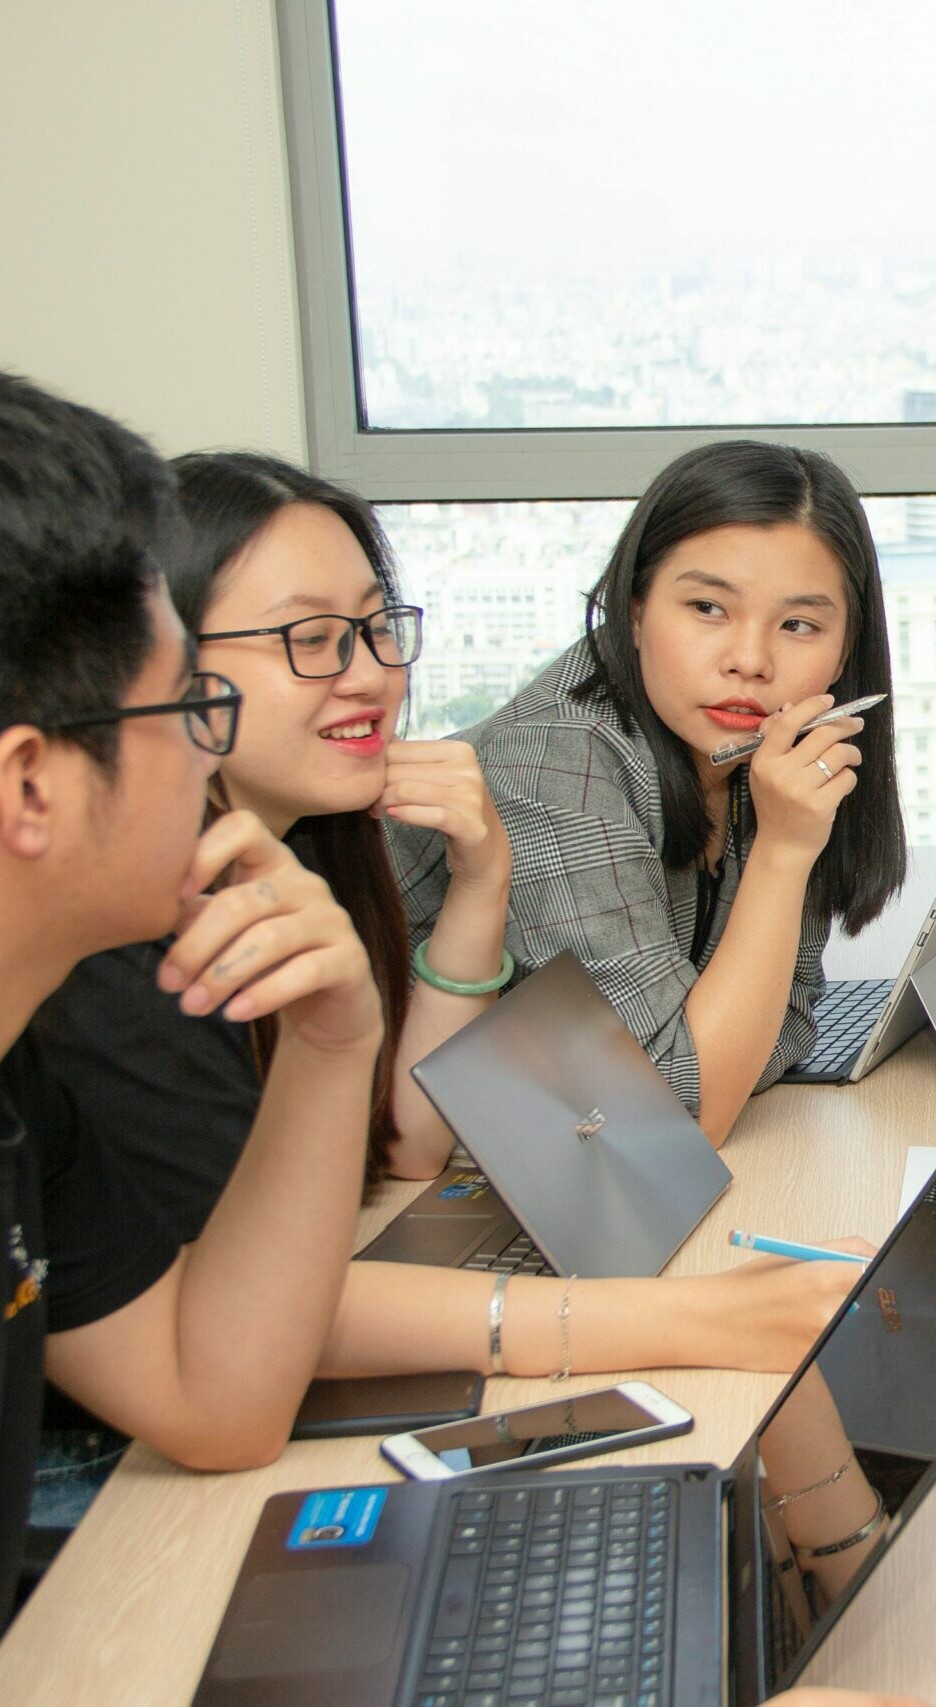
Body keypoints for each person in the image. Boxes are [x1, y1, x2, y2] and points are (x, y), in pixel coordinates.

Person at [30, 451, 867, 1396]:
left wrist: (479, 887)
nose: (367, 675)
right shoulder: (109, 956)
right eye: (310, 637)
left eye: (376, 628)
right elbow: (238, 1326)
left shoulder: (304, 849)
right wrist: (701, 1317)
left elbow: (402, 1143)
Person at [0, 373, 384, 1610]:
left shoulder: (17, 1089)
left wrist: (333, 1043)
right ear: (31, 786)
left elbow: (215, 1401)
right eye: (184, 708)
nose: (207, 749)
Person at [395, 441, 906, 1145]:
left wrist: (714, 1043)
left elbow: (784, 1025)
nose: (750, 661)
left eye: (798, 625)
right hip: (383, 1161)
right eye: (706, 607)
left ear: (845, 650)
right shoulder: (553, 764)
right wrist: (784, 852)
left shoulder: (761, 752)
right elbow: (673, 1115)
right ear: (633, 609)